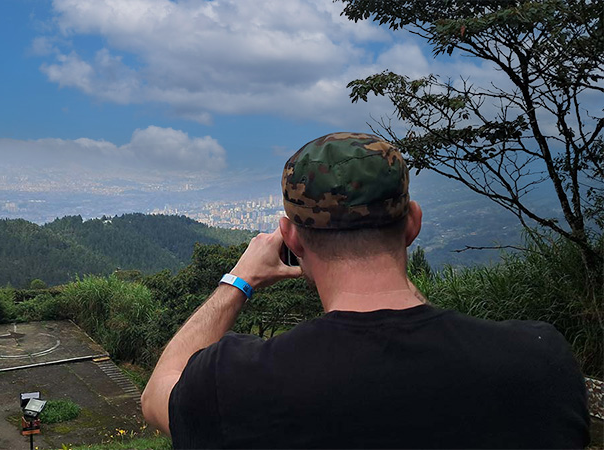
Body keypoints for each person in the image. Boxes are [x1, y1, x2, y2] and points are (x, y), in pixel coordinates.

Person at [141, 132, 590, 448]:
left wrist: (238, 282)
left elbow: (158, 392)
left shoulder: (238, 382)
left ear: (291, 239)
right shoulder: (538, 362)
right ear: (413, 222)